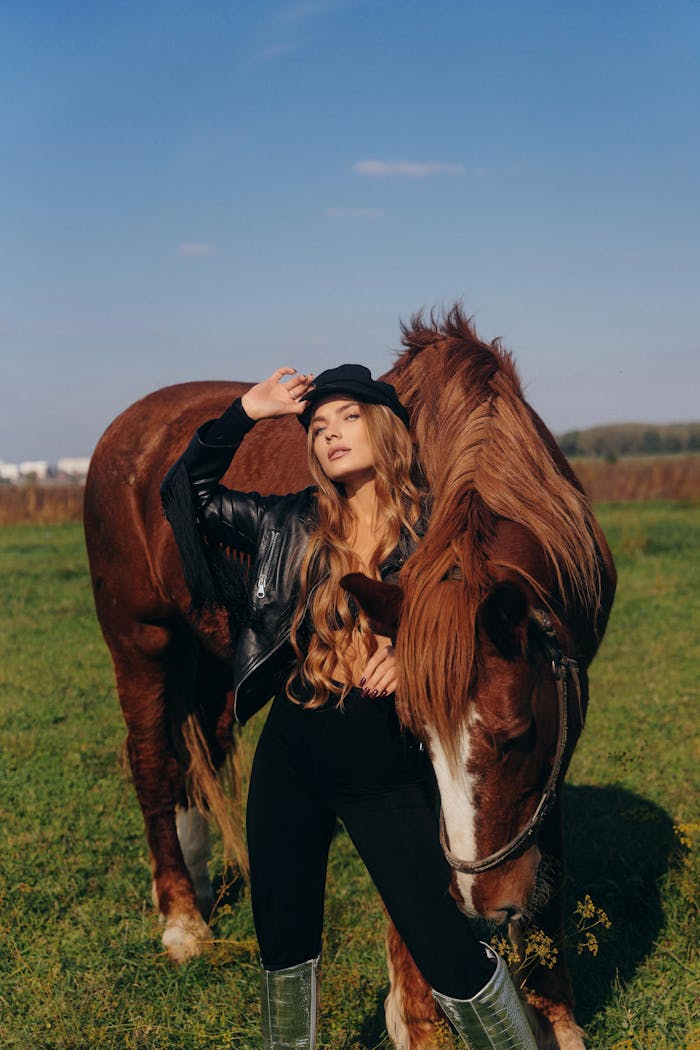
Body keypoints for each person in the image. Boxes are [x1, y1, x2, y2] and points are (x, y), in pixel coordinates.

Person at [161, 364, 537, 1050]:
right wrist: (249, 410)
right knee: (285, 945)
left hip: (381, 763)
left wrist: (415, 648)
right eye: (319, 427)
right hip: (291, 753)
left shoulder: (439, 529)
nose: (331, 435)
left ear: (383, 425)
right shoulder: (290, 520)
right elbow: (184, 494)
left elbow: (487, 624)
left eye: (348, 418)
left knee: (447, 943)